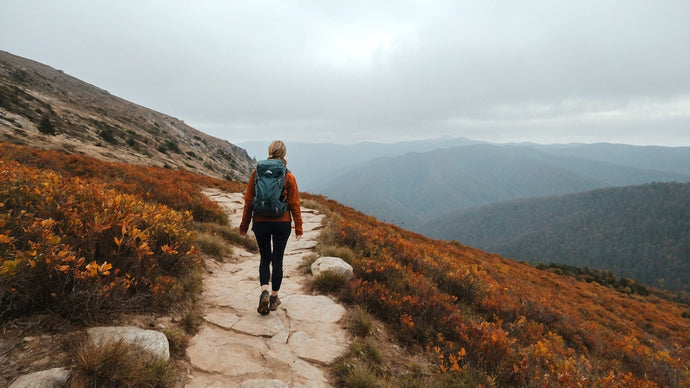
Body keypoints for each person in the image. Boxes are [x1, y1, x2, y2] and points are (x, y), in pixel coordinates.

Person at [240, 140, 303, 315]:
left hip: (260, 222)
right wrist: (298, 227)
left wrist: (244, 225)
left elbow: (249, 201)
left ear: (269, 151)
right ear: (284, 154)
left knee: (264, 258)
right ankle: (274, 298)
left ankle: (264, 292)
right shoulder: (288, 176)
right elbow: (295, 204)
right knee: (278, 260)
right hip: (282, 223)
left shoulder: (257, 172)